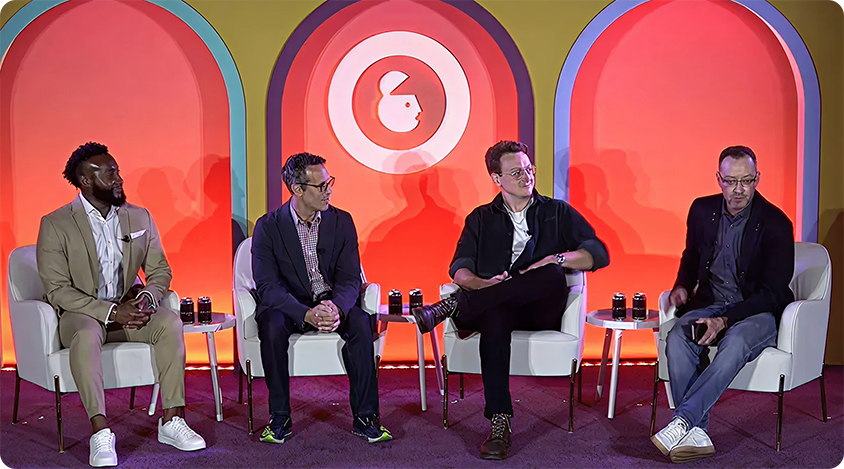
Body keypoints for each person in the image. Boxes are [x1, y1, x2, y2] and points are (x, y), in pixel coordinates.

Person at [411, 140, 609, 460]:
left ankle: (453, 307)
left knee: (549, 273)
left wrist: (556, 258)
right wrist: (483, 284)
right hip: (496, 308)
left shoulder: (556, 212)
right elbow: (459, 270)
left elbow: (597, 254)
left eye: (529, 169)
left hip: (540, 308)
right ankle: (500, 424)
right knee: (496, 313)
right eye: (516, 172)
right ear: (496, 178)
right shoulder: (480, 218)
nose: (526, 177)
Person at [36, 142, 206, 467]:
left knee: (169, 322)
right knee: (86, 333)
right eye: (110, 172)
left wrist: (146, 298)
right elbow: (57, 290)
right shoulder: (56, 223)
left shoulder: (138, 216)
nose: (119, 178)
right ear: (85, 180)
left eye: (118, 170)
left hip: (129, 310)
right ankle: (100, 432)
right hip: (82, 315)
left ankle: (172, 420)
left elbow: (160, 270)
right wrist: (112, 311)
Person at [651, 146, 794, 463]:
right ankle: (697, 433)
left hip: (755, 310)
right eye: (731, 181)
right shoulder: (702, 210)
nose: (739, 190)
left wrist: (726, 320)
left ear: (757, 179)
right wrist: (682, 287)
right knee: (677, 338)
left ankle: (683, 421)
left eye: (746, 181)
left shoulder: (776, 223)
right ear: (719, 179)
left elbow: (772, 292)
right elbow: (690, 257)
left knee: (736, 341)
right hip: (710, 303)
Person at [251, 152, 391, 444]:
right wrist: (305, 313)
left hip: (330, 302)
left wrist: (336, 306)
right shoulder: (268, 227)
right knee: (271, 325)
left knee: (360, 323)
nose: (329, 191)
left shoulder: (342, 221)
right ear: (298, 189)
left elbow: (351, 277)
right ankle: (279, 418)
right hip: (289, 307)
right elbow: (267, 286)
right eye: (322, 186)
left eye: (330, 183)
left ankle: (366, 417)